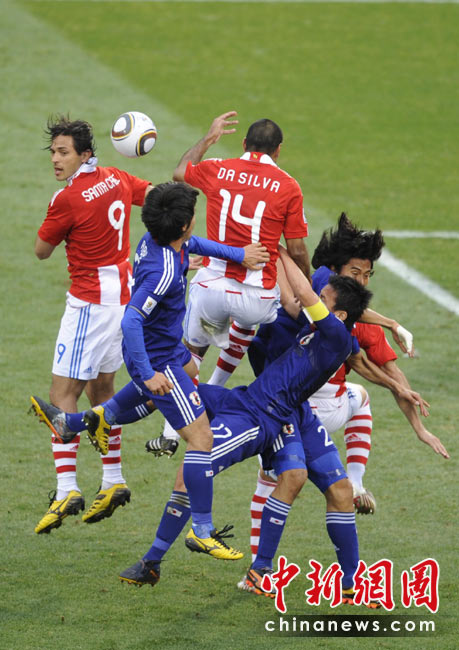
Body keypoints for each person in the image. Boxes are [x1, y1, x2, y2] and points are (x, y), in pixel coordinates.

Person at [33, 252, 374, 601]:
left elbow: (303, 292)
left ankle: (155, 560)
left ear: (339, 314)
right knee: (170, 381)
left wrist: (278, 248)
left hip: (263, 416)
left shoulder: (335, 333)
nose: (314, 300)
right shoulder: (323, 319)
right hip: (247, 399)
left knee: (197, 469)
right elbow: (300, 294)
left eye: (324, 298)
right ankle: (76, 422)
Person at [32, 181, 269, 560]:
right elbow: (131, 320)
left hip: (170, 350)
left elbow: (195, 245)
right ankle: (202, 530)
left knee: (190, 368)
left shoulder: (159, 241)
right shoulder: (163, 272)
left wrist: (239, 254)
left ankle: (77, 422)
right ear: (183, 225)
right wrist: (146, 374)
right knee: (201, 439)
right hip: (158, 359)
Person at [246, 215, 449, 561]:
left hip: (284, 410)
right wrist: (418, 425)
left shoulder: (324, 301)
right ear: (335, 271)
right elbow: (381, 370)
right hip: (316, 408)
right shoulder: (337, 307)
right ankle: (355, 481)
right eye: (356, 273)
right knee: (358, 408)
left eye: (367, 275)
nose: (362, 281)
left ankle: (257, 566)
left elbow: (288, 309)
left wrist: (276, 250)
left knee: (274, 479)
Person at [150, 112, 310, 455]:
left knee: (192, 353)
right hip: (256, 300)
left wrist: (208, 139)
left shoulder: (218, 168)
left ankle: (170, 431)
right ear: (278, 150)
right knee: (254, 316)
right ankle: (217, 385)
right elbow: (297, 249)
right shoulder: (288, 185)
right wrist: (306, 284)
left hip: (210, 290)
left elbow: (180, 172)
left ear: (244, 144)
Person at [32, 115, 153, 534]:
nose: (55, 159)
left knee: (62, 394)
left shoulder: (66, 198)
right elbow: (154, 197)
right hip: (123, 301)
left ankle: (67, 488)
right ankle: (113, 479)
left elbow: (41, 250)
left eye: (63, 152)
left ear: (85, 154)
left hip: (89, 305)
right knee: (102, 391)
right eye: (53, 152)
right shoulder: (117, 177)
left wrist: (63, 215)